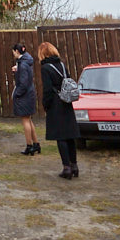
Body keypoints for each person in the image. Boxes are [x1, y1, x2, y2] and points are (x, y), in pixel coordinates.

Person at [39, 41, 80, 178]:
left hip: (56, 103)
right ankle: (74, 166)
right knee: (70, 136)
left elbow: (47, 90)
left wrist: (46, 105)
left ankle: (66, 168)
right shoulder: (62, 65)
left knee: (60, 136)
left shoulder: (45, 68)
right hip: (66, 102)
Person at [10, 43, 41, 155]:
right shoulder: (25, 62)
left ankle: (29, 145)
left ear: (17, 52)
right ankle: (36, 144)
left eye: (13, 52)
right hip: (29, 94)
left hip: (24, 96)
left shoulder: (22, 65)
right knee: (29, 119)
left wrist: (16, 95)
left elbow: (23, 83)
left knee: (25, 120)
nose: (13, 54)